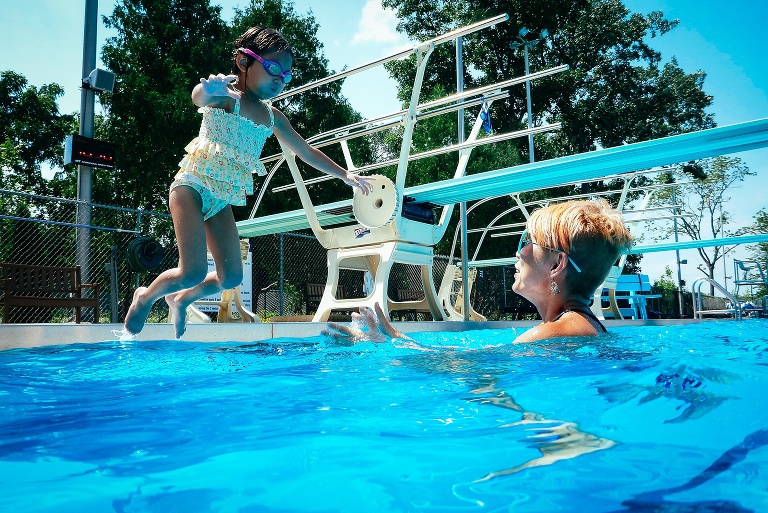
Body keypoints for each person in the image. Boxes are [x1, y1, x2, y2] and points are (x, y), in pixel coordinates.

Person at [123, 26, 372, 339]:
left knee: (230, 278)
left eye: (286, 75)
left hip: (219, 200)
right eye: (272, 70)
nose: (279, 79)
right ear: (243, 62)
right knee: (194, 271)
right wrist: (207, 88)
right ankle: (145, 297)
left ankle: (183, 298)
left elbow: (305, 151)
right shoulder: (228, 98)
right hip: (190, 187)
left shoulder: (273, 117)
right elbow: (199, 96)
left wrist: (345, 174)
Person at [323, 199, 633, 345]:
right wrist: (394, 337)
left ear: (556, 265)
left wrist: (386, 345)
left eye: (529, 241)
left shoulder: (548, 336)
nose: (519, 251)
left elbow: (475, 374)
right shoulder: (583, 328)